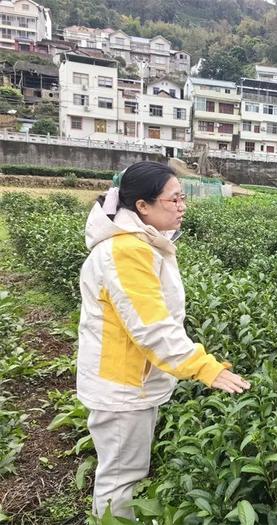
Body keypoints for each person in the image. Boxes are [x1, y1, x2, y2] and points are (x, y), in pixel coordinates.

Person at [76, 161, 250, 519]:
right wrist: (204, 367)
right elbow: (151, 326)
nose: (182, 206)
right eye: (174, 199)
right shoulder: (126, 251)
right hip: (124, 387)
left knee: (123, 472)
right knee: (121, 480)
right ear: (143, 206)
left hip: (132, 381)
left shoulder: (140, 244)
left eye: (182, 198)